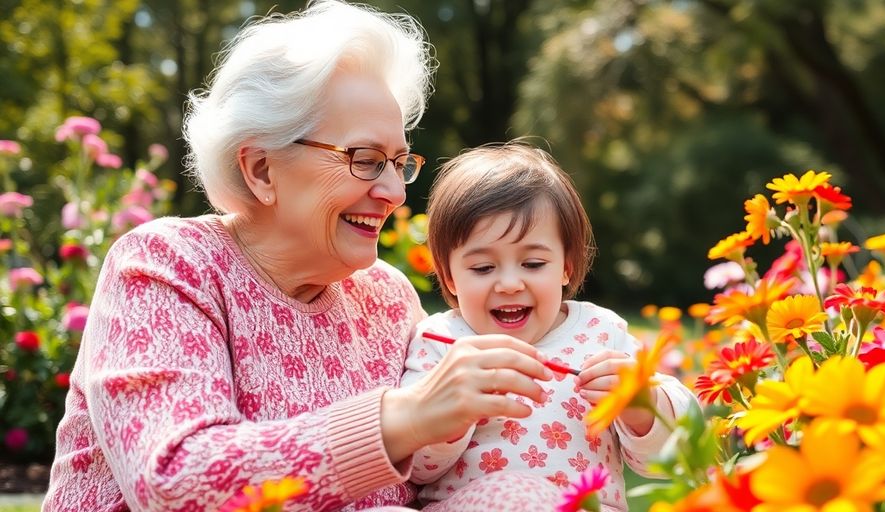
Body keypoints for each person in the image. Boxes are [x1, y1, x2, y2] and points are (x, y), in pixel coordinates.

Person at [42, 3, 562, 510]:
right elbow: (173, 481)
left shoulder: (387, 298)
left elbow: (435, 482)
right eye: (365, 159)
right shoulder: (165, 265)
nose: (394, 192)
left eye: (399, 163)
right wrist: (401, 418)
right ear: (262, 170)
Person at [401, 142, 697, 511]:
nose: (509, 283)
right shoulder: (440, 343)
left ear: (566, 267)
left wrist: (643, 406)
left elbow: (677, 450)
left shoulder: (601, 332)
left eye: (533, 263)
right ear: (450, 278)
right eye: (482, 268)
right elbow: (417, 468)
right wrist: (450, 415)